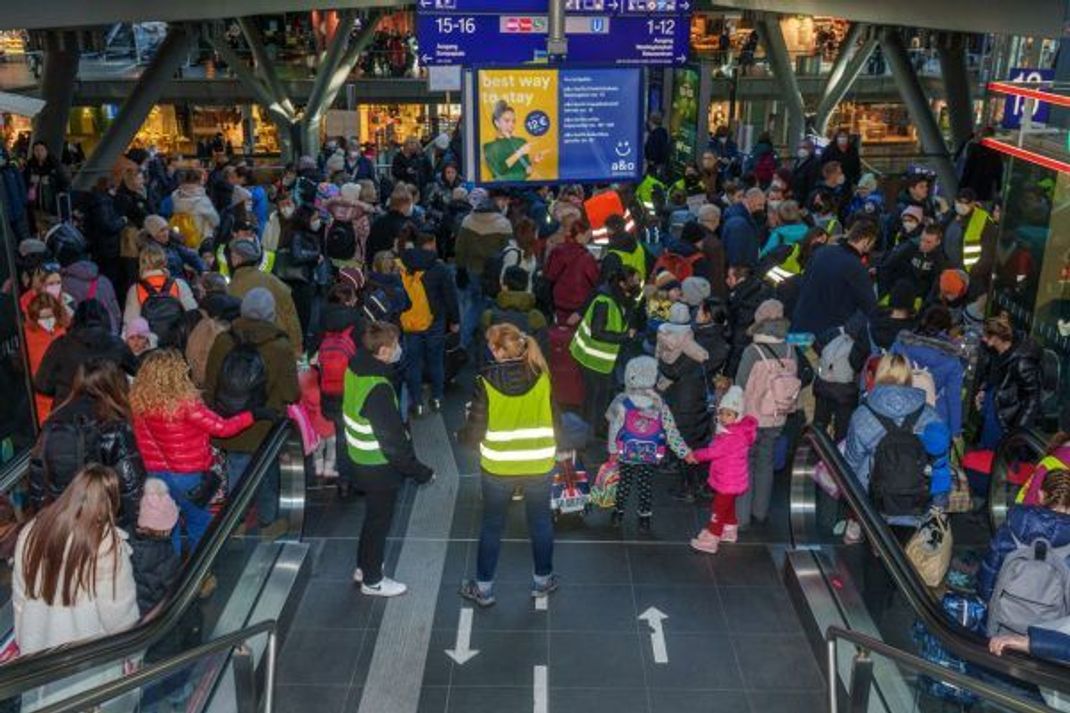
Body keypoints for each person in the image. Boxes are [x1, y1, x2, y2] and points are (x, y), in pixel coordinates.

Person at [14, 465, 138, 709]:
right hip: (88, 670)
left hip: (40, 662)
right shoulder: (106, 544)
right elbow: (120, 618)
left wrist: (27, 646)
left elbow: (20, 601)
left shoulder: (33, 530)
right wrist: (134, 655)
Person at [457, 324, 557, 606]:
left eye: (493, 346)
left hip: (498, 467)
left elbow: (476, 429)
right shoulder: (541, 374)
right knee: (540, 522)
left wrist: (463, 435)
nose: (489, 349)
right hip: (539, 463)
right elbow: (554, 418)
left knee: (492, 526)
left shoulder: (485, 380)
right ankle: (543, 581)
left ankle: (484, 589)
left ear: (502, 351)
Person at [131, 349, 259, 554]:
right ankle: (201, 571)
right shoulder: (186, 405)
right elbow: (223, 428)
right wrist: (251, 415)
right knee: (199, 523)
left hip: (156, 475)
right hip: (188, 476)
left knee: (166, 525)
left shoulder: (139, 404)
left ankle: (171, 570)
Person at [344, 322, 434, 597]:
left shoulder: (355, 368)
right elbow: (393, 443)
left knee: (372, 518)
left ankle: (363, 566)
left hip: (359, 458)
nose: (399, 350)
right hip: (378, 466)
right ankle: (373, 580)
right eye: (395, 346)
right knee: (379, 521)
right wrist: (421, 471)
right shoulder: (379, 387)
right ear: (383, 351)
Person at [204, 289, 299, 532]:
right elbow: (290, 394)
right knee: (267, 473)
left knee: (237, 470)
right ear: (270, 313)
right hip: (266, 424)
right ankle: (269, 522)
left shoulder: (224, 340)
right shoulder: (280, 346)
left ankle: (236, 524)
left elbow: (210, 384)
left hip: (231, 422)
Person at [31, 357, 145, 529]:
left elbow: (38, 482)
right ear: (115, 385)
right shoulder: (114, 427)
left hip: (62, 524)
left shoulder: (53, 423)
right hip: (102, 525)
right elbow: (132, 491)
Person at [842, 353, 945, 531]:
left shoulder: (861, 414)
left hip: (874, 504)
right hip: (919, 503)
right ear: (908, 376)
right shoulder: (930, 415)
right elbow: (940, 465)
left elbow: (851, 464)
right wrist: (939, 506)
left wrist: (854, 509)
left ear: (879, 374)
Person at [607, 356, 694, 531]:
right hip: (650, 455)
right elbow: (671, 431)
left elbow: (614, 428)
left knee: (624, 483)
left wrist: (613, 450)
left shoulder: (623, 402)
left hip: (626, 453)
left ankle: (618, 514)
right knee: (645, 486)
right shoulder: (659, 404)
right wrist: (685, 452)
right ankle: (644, 520)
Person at [736, 299, 799, 528]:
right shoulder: (791, 349)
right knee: (766, 461)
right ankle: (760, 513)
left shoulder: (753, 351)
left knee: (745, 463)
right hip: (777, 416)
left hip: (751, 418)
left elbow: (740, 385)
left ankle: (741, 517)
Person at [978, 469, 1070, 605]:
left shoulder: (1014, 525)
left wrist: (989, 603)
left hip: (1006, 612)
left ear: (1040, 495)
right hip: (1050, 622)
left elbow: (990, 572)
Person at [690, 385, 758, 553]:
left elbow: (713, 452)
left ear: (738, 416)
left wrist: (695, 455)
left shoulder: (732, 437)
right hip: (733, 479)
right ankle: (729, 530)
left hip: (728, 480)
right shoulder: (737, 431)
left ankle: (712, 537)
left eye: (728, 414)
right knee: (729, 506)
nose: (723, 417)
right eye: (721, 413)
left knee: (718, 509)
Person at [571, 264, 637, 433]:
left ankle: (592, 429)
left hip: (603, 358)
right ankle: (589, 433)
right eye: (634, 280)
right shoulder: (604, 301)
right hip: (591, 357)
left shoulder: (622, 297)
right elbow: (597, 333)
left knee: (598, 396)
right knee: (595, 398)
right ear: (622, 283)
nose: (637, 282)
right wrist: (625, 336)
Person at [400, 232, 459, 416]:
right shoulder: (440, 268)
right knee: (435, 360)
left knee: (413, 362)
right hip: (435, 319)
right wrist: (455, 320)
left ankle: (416, 403)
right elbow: (450, 296)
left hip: (410, 320)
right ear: (432, 244)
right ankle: (437, 398)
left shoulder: (404, 264)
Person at [36, 299, 138, 405]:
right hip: (107, 409)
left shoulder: (61, 344)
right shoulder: (115, 343)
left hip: (67, 409)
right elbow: (138, 371)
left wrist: (64, 389)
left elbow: (42, 385)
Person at [656, 303, 711, 501]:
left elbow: (660, 359)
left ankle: (683, 476)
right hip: (687, 398)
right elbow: (699, 353)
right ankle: (691, 485)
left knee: (673, 431)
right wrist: (704, 355)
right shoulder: (688, 336)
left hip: (668, 384)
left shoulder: (662, 332)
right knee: (689, 438)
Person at [791, 221, 879, 337]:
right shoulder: (855, 266)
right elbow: (870, 306)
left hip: (799, 327)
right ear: (866, 241)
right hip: (825, 337)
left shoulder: (821, 252)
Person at [891, 305, 965, 438]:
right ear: (946, 328)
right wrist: (956, 433)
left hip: (901, 413)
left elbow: (888, 379)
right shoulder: (953, 362)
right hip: (934, 422)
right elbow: (953, 399)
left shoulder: (900, 346)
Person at [455, 190, 512, 350]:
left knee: (473, 306)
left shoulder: (468, 221)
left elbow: (460, 248)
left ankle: (463, 342)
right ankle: (492, 345)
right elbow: (508, 250)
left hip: (472, 269)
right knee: (493, 309)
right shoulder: (503, 224)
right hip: (494, 274)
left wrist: (460, 268)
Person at [227, 238, 304, 357]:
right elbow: (290, 315)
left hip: (247, 355)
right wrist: (297, 347)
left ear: (237, 258)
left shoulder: (231, 289)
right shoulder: (273, 281)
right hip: (279, 346)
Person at [976, 313, 1043, 448]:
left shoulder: (1021, 362)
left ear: (994, 338)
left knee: (992, 454)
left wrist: (1018, 431)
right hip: (994, 405)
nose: (982, 339)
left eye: (985, 335)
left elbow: (1033, 398)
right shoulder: (995, 351)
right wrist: (984, 390)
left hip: (1003, 416)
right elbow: (992, 375)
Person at [49, 222, 123, 333]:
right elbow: (117, 314)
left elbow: (65, 321)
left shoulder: (63, 286)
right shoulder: (104, 281)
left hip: (83, 344)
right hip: (110, 340)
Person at [123, 243, 198, 345]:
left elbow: (130, 325)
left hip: (150, 348)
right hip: (178, 345)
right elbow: (193, 316)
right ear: (165, 261)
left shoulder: (135, 290)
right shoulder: (179, 285)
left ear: (141, 263)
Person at [129, 478, 181, 616]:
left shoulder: (128, 538)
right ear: (166, 529)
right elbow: (172, 587)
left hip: (134, 608)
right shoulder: (164, 555)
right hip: (155, 611)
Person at [272, 204, 322, 339]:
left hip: (290, 281)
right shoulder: (298, 235)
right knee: (301, 319)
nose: (318, 222)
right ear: (306, 219)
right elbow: (297, 255)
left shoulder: (291, 232)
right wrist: (316, 254)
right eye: (315, 218)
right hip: (299, 283)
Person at [544, 216, 599, 324]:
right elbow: (596, 281)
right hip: (578, 306)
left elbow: (550, 275)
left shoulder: (557, 250)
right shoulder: (587, 257)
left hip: (558, 303)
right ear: (580, 235)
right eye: (587, 235)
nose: (589, 239)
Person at [24, 291, 69, 425]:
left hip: (64, 398)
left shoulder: (64, 331)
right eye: (43, 318)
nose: (48, 322)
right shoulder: (27, 337)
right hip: (40, 401)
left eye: (50, 316)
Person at [878, 222, 948, 303]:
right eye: (922, 239)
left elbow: (935, 286)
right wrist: (885, 293)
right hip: (900, 291)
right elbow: (888, 266)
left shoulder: (940, 259)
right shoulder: (910, 247)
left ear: (938, 242)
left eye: (928, 242)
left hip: (921, 298)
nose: (923, 244)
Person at [944, 187, 998, 290]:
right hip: (949, 270)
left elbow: (989, 253)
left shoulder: (982, 221)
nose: (962, 206)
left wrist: (972, 273)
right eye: (960, 202)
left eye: (967, 203)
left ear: (973, 203)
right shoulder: (952, 215)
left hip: (971, 277)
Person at [725, 264, 773, 374]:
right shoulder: (757, 287)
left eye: (730, 277)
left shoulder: (743, 305)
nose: (727, 280)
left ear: (741, 279)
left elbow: (738, 344)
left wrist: (727, 374)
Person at [482, 101, 547, 180]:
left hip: (522, 187)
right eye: (507, 121)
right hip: (501, 189)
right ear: (497, 123)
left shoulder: (521, 142)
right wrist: (520, 152)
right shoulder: (489, 146)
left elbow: (526, 171)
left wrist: (534, 162)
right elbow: (499, 170)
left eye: (513, 121)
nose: (511, 125)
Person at [142, 214, 206, 281]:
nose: (166, 233)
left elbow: (192, 256)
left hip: (182, 284)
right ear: (153, 234)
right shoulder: (149, 252)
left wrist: (204, 270)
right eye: (161, 231)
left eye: (166, 229)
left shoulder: (173, 243)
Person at [170, 168, 220, 244]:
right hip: (198, 237)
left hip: (180, 234)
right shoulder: (202, 200)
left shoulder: (175, 196)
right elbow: (215, 221)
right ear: (200, 181)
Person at [721, 187, 765, 268]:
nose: (762, 208)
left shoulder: (743, 218)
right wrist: (738, 272)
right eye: (760, 205)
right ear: (751, 201)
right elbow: (735, 252)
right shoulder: (739, 223)